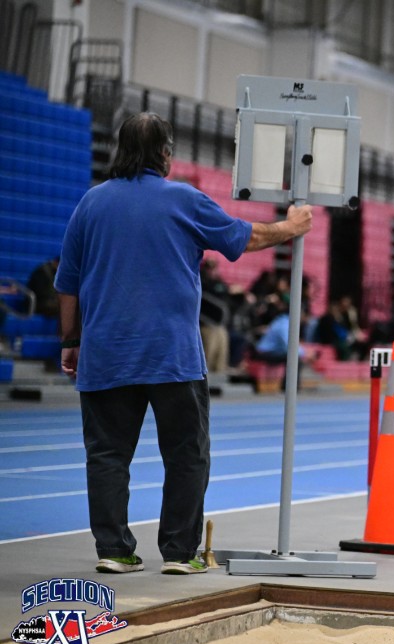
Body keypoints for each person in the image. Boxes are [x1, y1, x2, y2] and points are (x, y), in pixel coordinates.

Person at [55, 112, 313, 575]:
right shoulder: (183, 199)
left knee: (108, 456)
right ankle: (179, 553)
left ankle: (113, 550)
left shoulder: (90, 204)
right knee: (186, 455)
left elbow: (67, 283)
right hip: (171, 356)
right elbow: (245, 237)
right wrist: (291, 227)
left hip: (106, 352)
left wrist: (70, 340)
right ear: (165, 154)